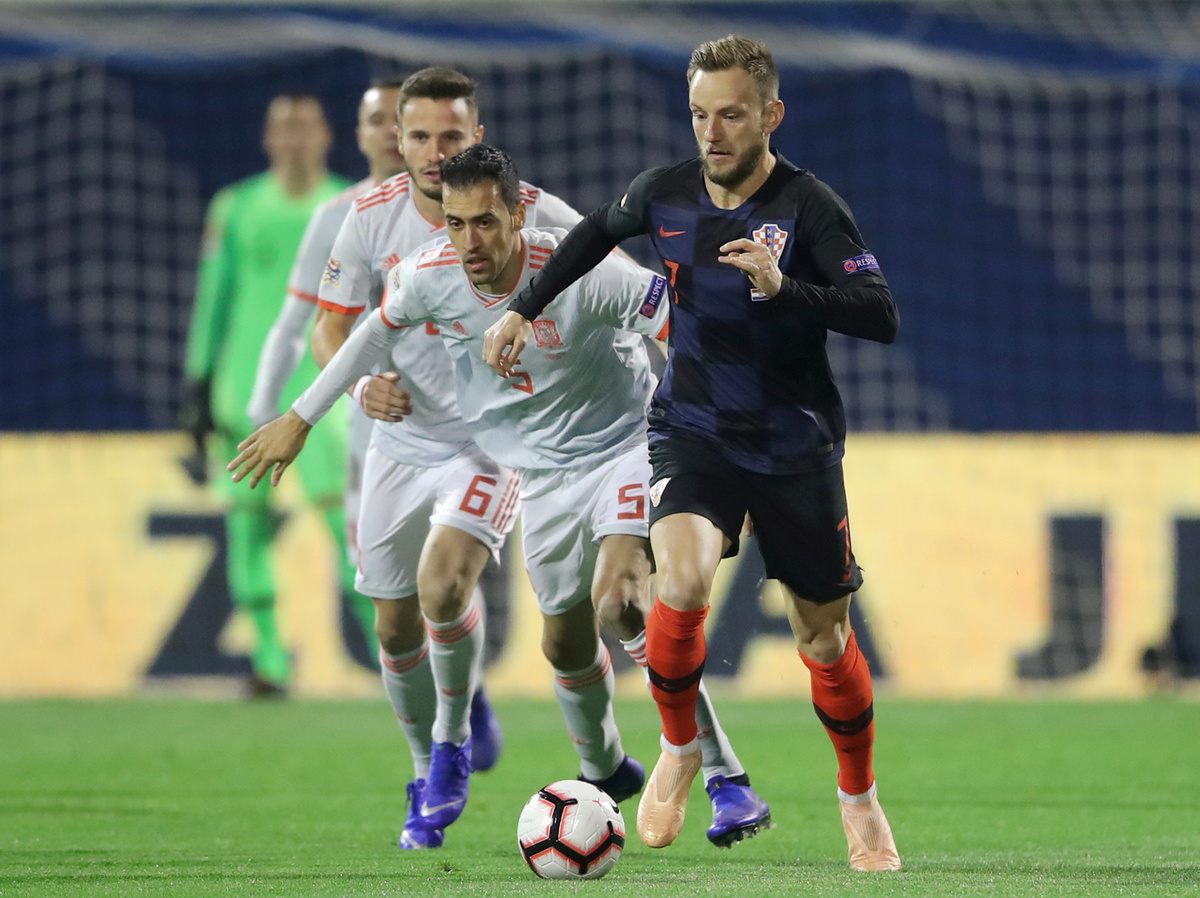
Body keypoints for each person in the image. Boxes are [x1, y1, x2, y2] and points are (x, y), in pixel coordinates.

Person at [228, 143, 771, 853]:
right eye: (455, 223)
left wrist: (722, 454)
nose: (470, 241)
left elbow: (688, 331)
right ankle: (605, 768)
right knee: (564, 644)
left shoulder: (585, 272)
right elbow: (367, 336)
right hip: (540, 475)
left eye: (485, 222)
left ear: (518, 214)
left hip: (625, 446)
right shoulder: (429, 276)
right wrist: (301, 418)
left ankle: (726, 778)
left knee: (621, 600)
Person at [482, 35, 902, 871]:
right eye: (700, 115)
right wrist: (523, 307)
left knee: (823, 640)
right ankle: (680, 747)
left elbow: (878, 312)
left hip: (793, 443)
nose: (712, 132)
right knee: (676, 583)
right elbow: (594, 233)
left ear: (772, 116)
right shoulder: (664, 192)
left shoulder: (809, 206)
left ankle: (858, 796)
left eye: (732, 115)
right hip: (693, 431)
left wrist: (787, 289)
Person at [248, 68, 584, 851]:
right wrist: (359, 386)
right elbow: (330, 328)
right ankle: (424, 762)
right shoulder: (364, 219)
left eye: (452, 136)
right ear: (397, 141)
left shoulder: (535, 212)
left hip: (491, 441)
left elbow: (604, 276)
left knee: (445, 583)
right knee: (394, 623)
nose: (437, 152)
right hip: (398, 440)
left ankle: (451, 745)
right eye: (422, 136)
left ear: (478, 136)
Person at [180, 94, 365, 696]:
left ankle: (393, 657)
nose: (293, 138)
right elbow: (215, 297)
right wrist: (199, 381)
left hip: (324, 392)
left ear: (326, 136)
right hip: (246, 390)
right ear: (267, 139)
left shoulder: (352, 206)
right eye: (283, 128)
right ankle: (269, 661)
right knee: (248, 527)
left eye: (304, 127)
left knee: (349, 529)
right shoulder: (235, 208)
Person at [246, 77, 408, 664]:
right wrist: (264, 408)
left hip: (462, 417)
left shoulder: (463, 212)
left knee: (452, 564)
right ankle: (432, 701)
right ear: (358, 135)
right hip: (371, 420)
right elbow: (296, 323)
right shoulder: (340, 216)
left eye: (403, 121)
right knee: (385, 576)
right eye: (378, 120)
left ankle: (460, 706)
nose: (391, 133)